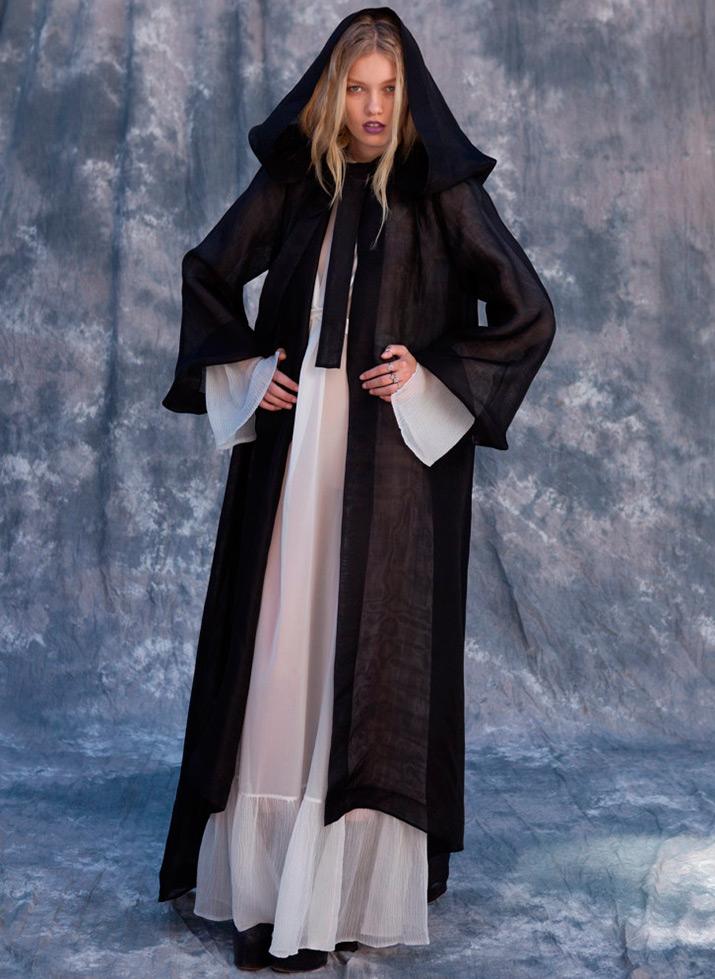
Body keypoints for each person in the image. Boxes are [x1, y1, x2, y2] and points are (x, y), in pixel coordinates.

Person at [159, 7, 555, 973]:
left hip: (386, 472)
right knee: (280, 650)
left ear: (407, 97)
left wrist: (428, 372)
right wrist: (251, 369)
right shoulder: (295, 182)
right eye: (358, 90)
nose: (373, 108)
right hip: (294, 462)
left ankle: (334, 893)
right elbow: (209, 272)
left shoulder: (442, 192)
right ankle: (266, 892)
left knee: (366, 654)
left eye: (389, 90)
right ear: (332, 96)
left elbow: (526, 313)